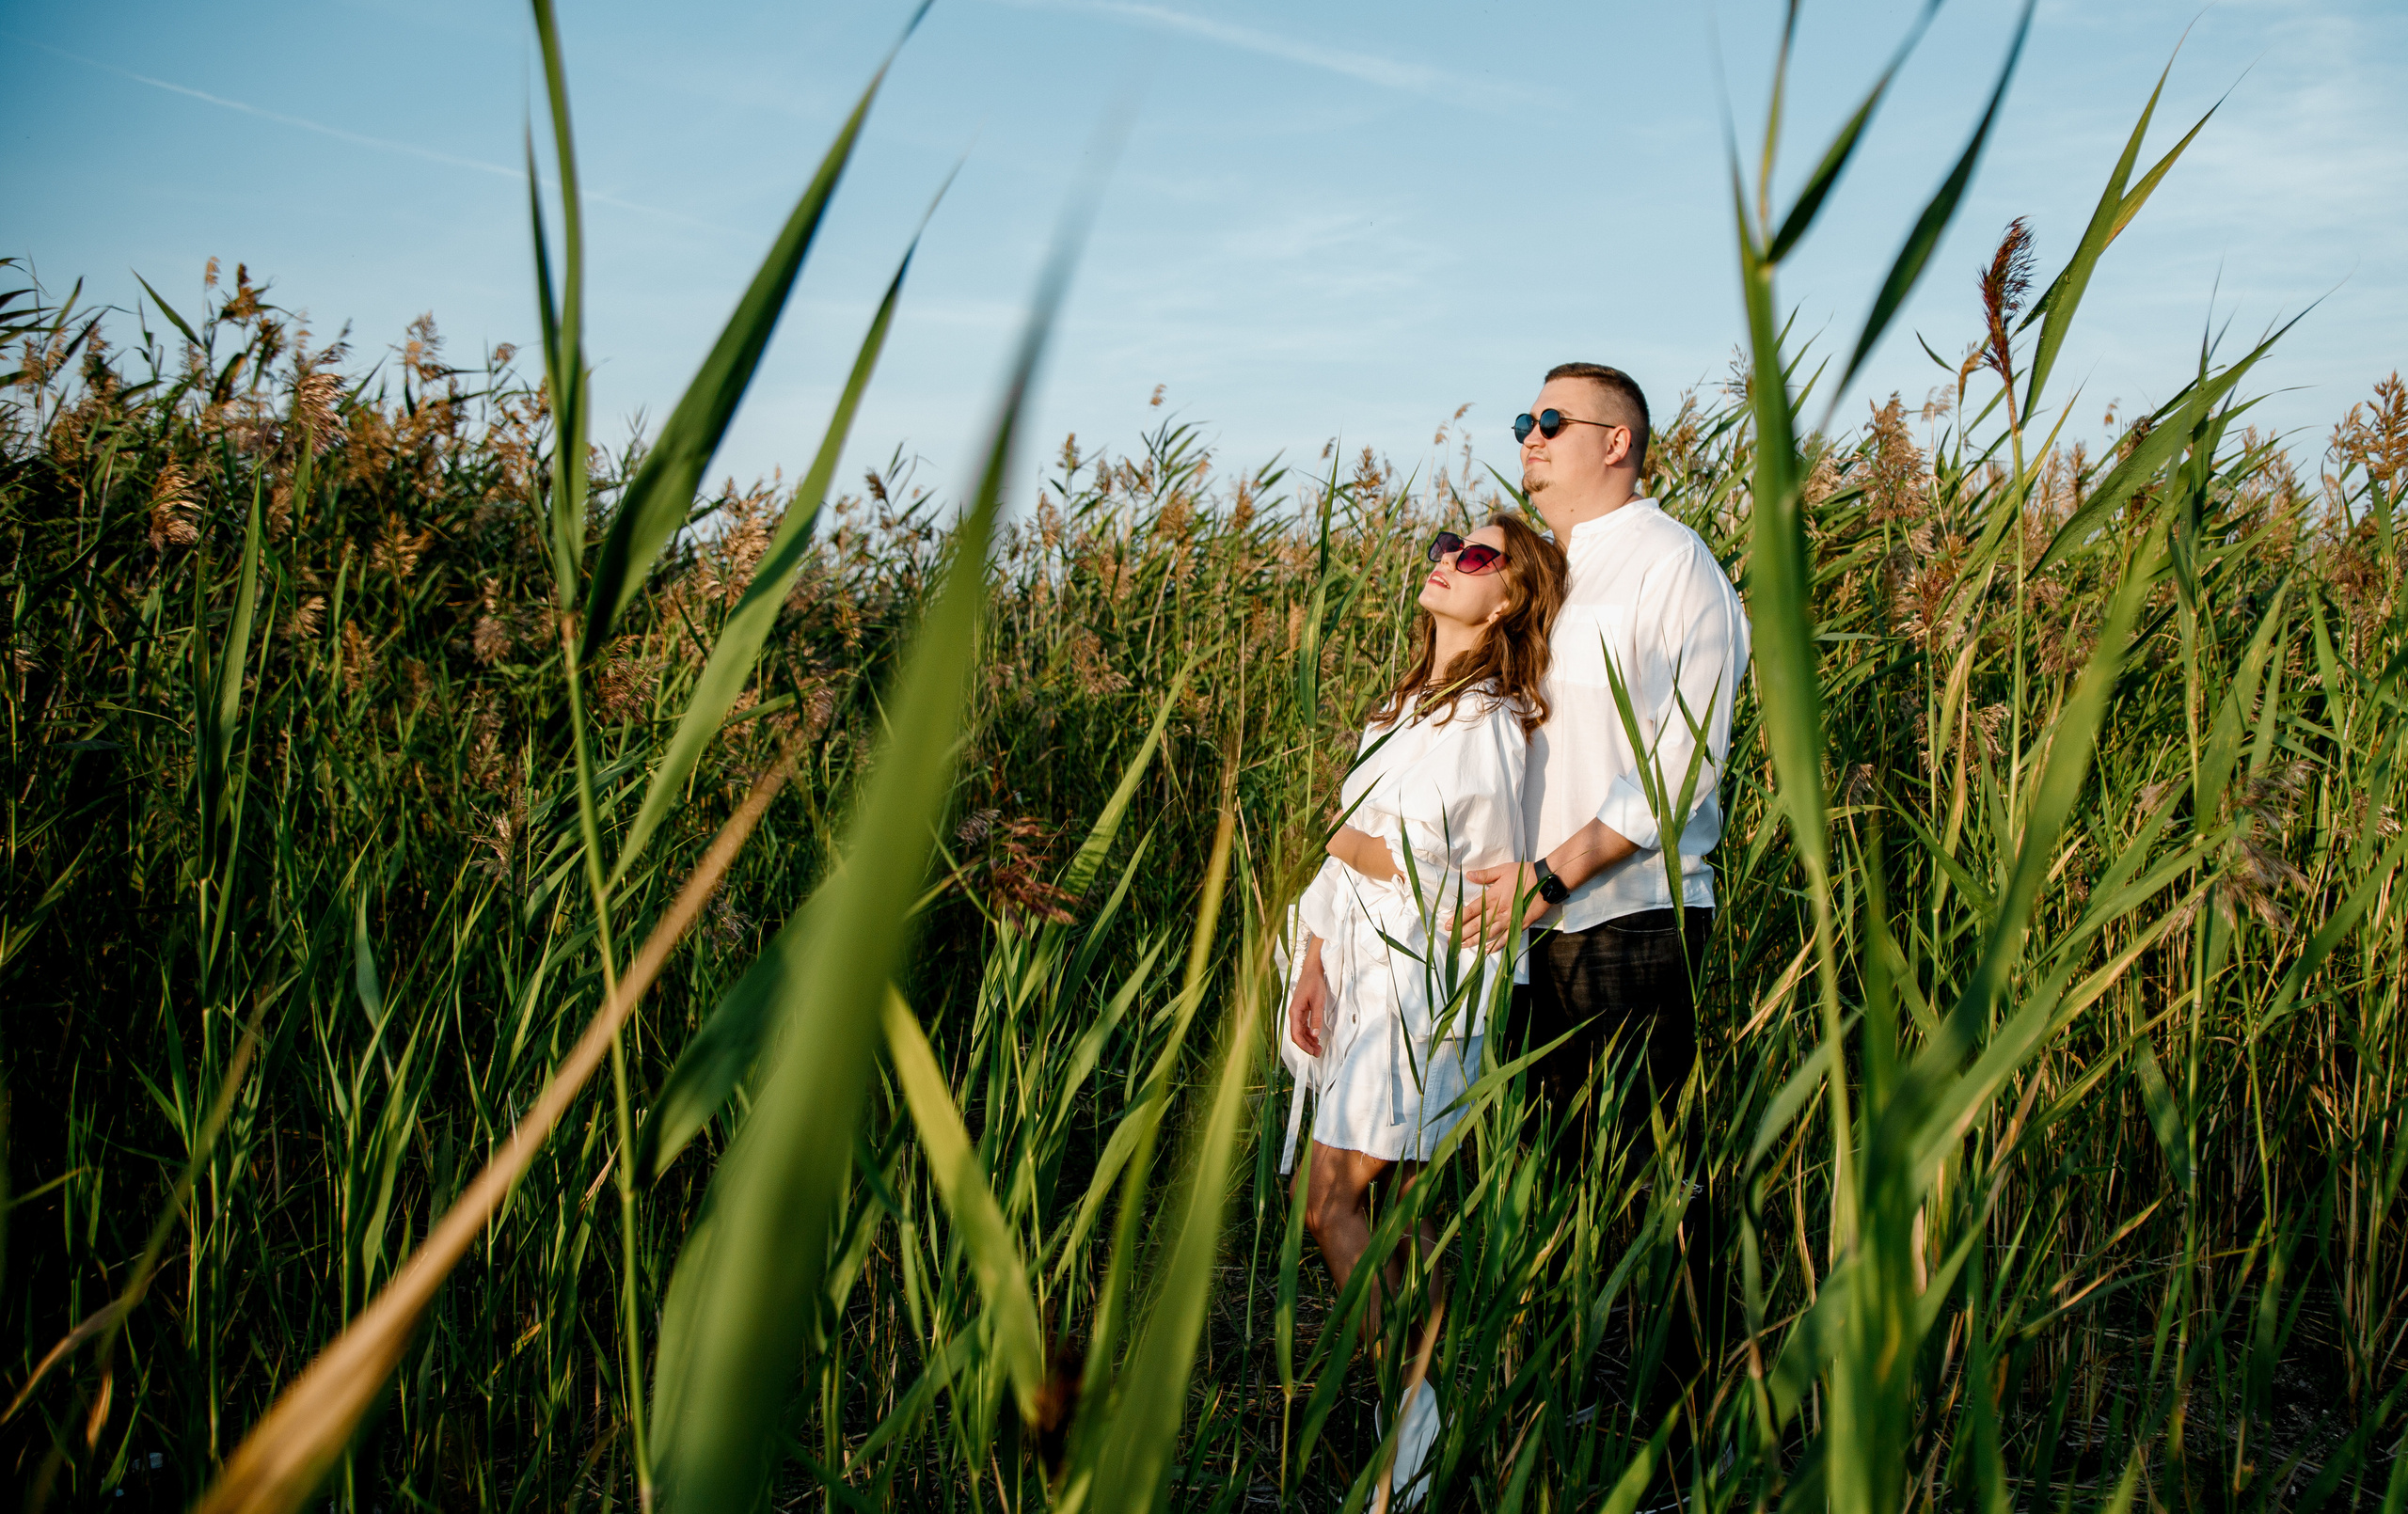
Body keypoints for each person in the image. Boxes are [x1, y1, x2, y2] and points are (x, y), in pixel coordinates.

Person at [1453, 362, 1751, 1416]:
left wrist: (1550, 875)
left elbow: (1681, 765)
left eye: (1550, 421)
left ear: (1615, 441)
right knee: (1549, 1173)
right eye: (1523, 421)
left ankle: (1687, 1425)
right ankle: (1571, 1404)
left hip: (1625, 916)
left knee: (1646, 1179)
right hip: (1520, 926)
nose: (1527, 436)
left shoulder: (1675, 568)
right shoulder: (1542, 569)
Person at [1282, 513, 1567, 1507]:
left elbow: (1474, 888)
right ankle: (1417, 1414)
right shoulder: (1400, 706)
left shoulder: (1491, 725)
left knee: (1326, 1202)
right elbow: (1339, 848)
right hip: (1359, 976)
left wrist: (1363, 850)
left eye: (1477, 556)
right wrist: (1313, 956)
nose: (1448, 561)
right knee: (1401, 1213)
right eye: (1448, 543)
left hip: (1424, 988)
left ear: (1510, 599)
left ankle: (1412, 1419)